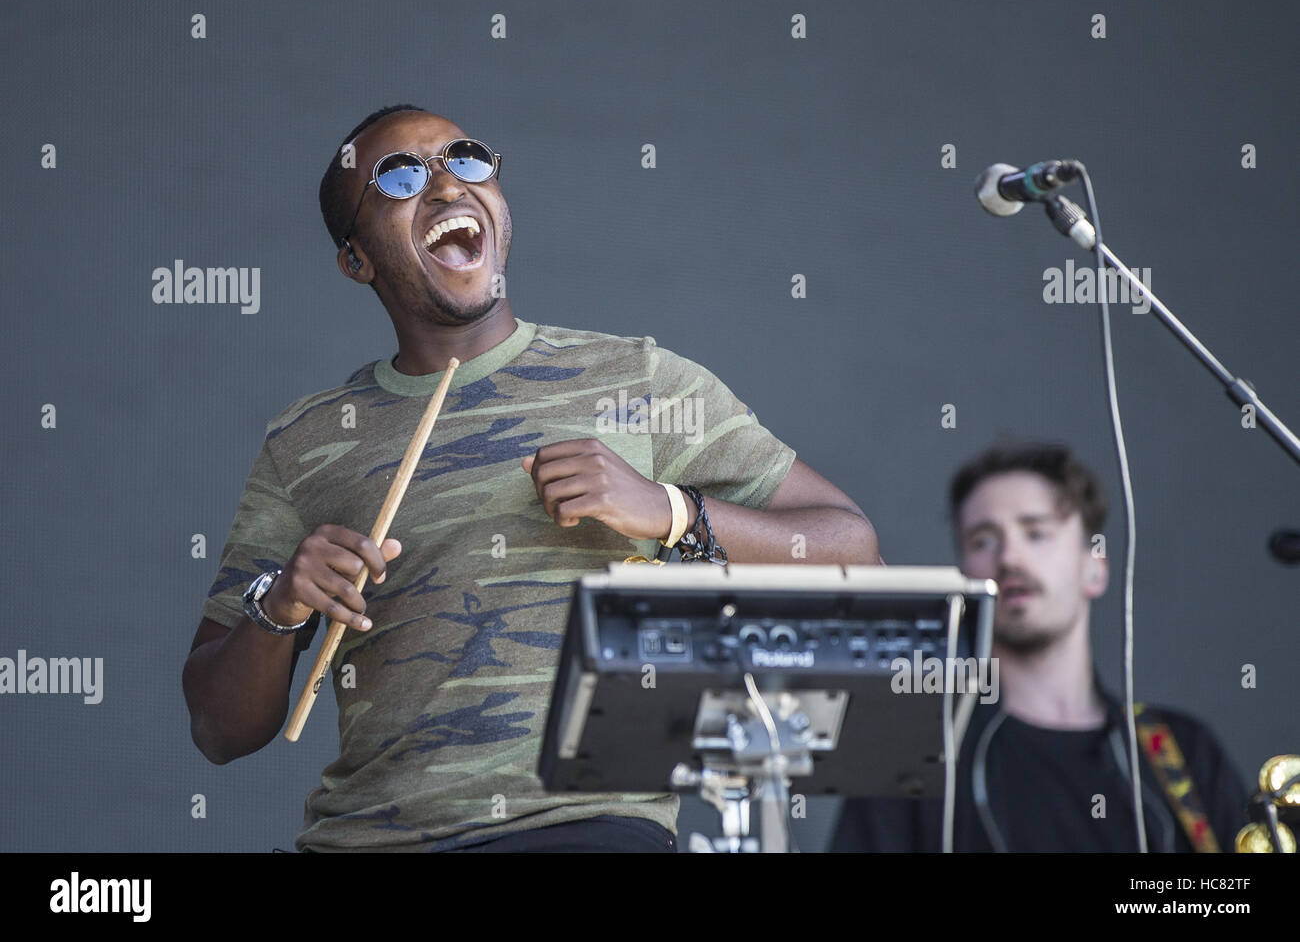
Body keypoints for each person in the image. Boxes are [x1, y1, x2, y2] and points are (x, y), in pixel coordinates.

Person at [182, 105, 882, 852]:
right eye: (400, 177)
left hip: (584, 831)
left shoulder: (637, 379)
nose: (446, 186)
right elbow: (219, 729)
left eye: (465, 158)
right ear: (357, 260)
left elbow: (853, 550)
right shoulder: (308, 440)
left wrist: (670, 510)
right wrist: (281, 605)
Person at [833, 441, 1247, 852]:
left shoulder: (1183, 752)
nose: (1010, 558)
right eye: (983, 541)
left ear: (1095, 569)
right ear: (965, 578)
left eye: (1036, 533)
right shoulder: (917, 755)